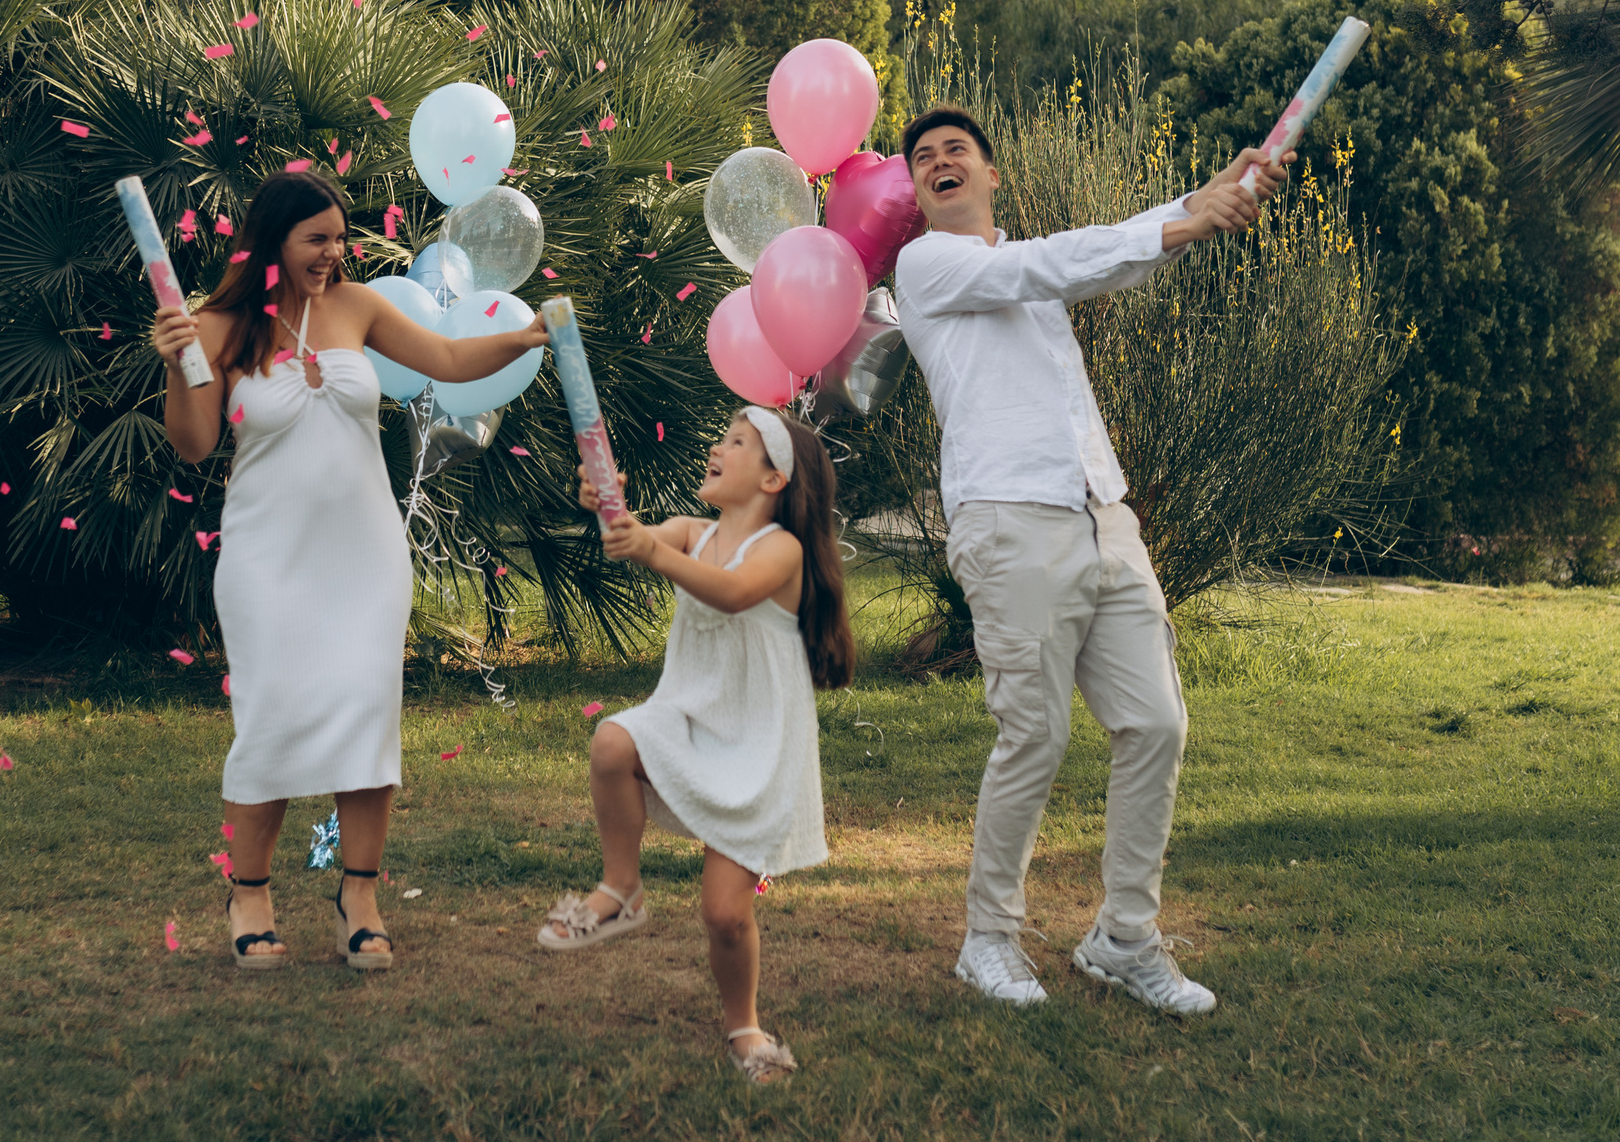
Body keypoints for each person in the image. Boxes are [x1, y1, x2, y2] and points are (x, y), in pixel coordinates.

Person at [894, 106, 1289, 1016]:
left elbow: (1114, 252)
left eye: (958, 151)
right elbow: (1057, 261)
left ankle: (1122, 938)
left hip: (1101, 515)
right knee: (1035, 733)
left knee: (1156, 725)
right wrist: (1191, 215)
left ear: (994, 176)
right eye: (925, 159)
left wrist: (1208, 198)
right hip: (1007, 521)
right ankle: (987, 939)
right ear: (918, 194)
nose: (941, 161)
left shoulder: (1030, 265)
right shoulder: (930, 266)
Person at [150, 168, 546, 975]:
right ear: (273, 242)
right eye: (315, 239)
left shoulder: (359, 305)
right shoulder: (218, 325)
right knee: (271, 721)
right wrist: (175, 362)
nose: (333, 252)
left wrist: (529, 337)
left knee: (368, 721)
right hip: (268, 560)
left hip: (365, 558)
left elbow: (446, 356)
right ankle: (249, 894)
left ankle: (357, 898)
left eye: (339, 236)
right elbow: (192, 444)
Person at [533, 407, 854, 1085]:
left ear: (774, 477)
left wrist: (653, 551)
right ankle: (622, 887)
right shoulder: (690, 532)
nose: (716, 445)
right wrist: (607, 506)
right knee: (613, 741)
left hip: (757, 745)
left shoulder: (782, 550)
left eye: (736, 441)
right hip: (688, 716)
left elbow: (735, 593)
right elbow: (636, 539)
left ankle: (745, 1025)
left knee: (726, 914)